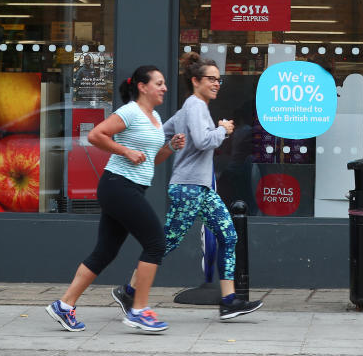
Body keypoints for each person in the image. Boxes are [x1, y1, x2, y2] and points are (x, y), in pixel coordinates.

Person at [111, 52, 263, 321]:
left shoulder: (187, 110)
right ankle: (129, 291)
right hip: (188, 188)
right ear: (196, 80)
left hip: (200, 188)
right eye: (211, 79)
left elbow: (161, 134)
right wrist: (223, 130)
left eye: (219, 80)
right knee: (165, 242)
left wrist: (167, 144)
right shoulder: (194, 106)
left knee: (228, 236)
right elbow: (205, 142)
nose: (217, 84)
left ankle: (229, 301)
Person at [46, 65, 185, 333]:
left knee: (106, 251)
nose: (164, 88)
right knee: (156, 243)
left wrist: (169, 147)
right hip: (119, 186)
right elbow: (95, 135)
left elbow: (148, 161)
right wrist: (125, 151)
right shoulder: (130, 111)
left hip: (129, 187)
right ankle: (139, 310)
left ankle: (64, 305)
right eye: (159, 83)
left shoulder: (154, 116)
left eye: (164, 83)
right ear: (142, 87)